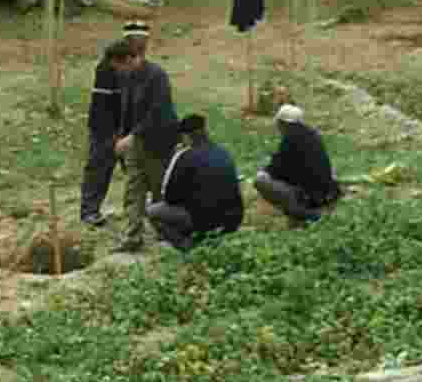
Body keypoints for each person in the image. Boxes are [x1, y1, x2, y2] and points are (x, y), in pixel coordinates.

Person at [114, 22, 180, 253]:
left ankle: (167, 235)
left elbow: (158, 111)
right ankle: (133, 236)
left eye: (121, 67)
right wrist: (122, 136)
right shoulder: (127, 77)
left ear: (131, 59)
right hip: (135, 141)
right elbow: (127, 110)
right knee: (133, 189)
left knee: (159, 188)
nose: (119, 72)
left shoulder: (157, 76)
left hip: (159, 140)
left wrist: (133, 136)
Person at [148, 114, 244, 251]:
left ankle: (187, 245)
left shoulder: (184, 155)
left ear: (186, 136)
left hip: (204, 220)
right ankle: (212, 241)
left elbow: (169, 197)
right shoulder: (224, 152)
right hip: (233, 219)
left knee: (152, 211)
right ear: (205, 131)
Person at [254, 104, 341, 223]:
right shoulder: (313, 134)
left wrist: (264, 170)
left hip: (310, 196)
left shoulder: (290, 139)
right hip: (328, 190)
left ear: (282, 123)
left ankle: (303, 213)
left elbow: (279, 171)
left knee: (261, 180)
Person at [79, 39, 126, 226]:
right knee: (99, 169)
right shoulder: (105, 72)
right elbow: (101, 108)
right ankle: (89, 211)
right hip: (104, 130)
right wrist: (111, 134)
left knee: (136, 169)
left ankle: (142, 208)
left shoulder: (126, 70)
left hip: (124, 129)